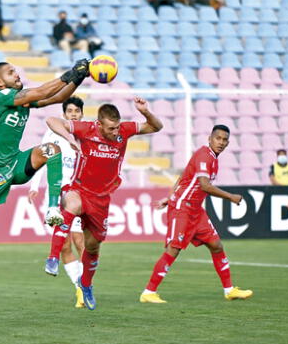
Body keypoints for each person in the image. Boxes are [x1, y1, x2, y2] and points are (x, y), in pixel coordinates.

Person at [0, 59, 90, 308]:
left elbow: (55, 97)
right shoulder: (0, 97)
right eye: (10, 72)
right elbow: (42, 91)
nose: (15, 74)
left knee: (52, 149)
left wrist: (79, 77)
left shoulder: (21, 98)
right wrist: (70, 71)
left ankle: (53, 208)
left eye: (15, 70)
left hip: (15, 163)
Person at [44, 97, 163, 310]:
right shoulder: (87, 129)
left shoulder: (124, 130)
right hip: (79, 188)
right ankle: (52, 258)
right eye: (110, 128)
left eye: (117, 127)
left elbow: (156, 126)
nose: (115, 132)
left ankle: (86, 284)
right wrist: (69, 138)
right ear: (99, 124)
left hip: (102, 199)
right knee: (71, 206)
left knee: (92, 245)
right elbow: (52, 120)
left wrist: (145, 112)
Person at [139, 125, 253, 304]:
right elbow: (205, 185)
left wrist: (168, 198)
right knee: (174, 248)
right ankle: (148, 292)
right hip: (183, 208)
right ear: (210, 138)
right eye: (218, 138)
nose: (221, 142)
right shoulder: (204, 155)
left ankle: (229, 290)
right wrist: (231, 197)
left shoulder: (213, 158)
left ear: (228, 143)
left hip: (196, 210)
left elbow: (183, 176)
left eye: (224, 140)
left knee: (216, 245)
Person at [28, 96, 85, 308]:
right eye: (69, 111)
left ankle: (87, 282)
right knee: (65, 246)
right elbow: (41, 159)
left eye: (76, 111)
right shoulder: (52, 133)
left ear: (81, 113)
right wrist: (34, 187)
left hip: (76, 194)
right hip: (54, 192)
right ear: (64, 114)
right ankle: (79, 287)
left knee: (80, 241)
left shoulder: (85, 134)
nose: (73, 114)